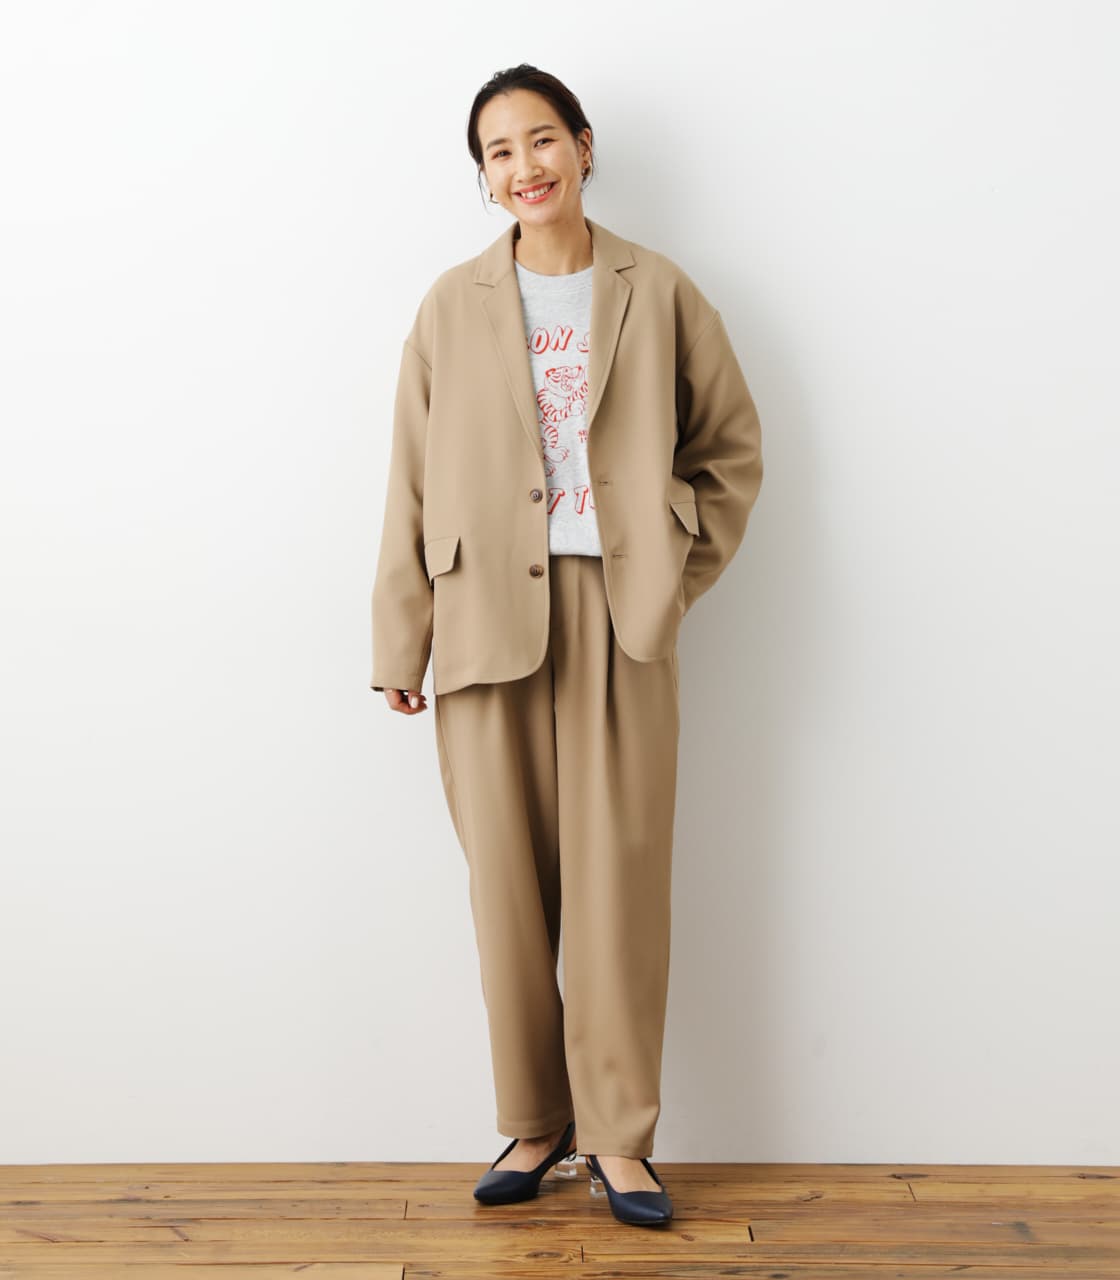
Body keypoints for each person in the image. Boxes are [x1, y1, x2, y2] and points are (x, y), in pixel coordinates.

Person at [370, 64, 763, 1227]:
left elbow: (731, 451)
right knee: (506, 890)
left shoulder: (660, 290)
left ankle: (620, 1137)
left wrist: (669, 575)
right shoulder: (449, 307)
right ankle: (536, 1121)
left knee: (616, 888)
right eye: (498, 152)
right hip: (481, 618)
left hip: (616, 617)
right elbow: (406, 480)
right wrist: (401, 636)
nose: (523, 166)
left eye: (541, 139)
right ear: (484, 177)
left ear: (583, 147)